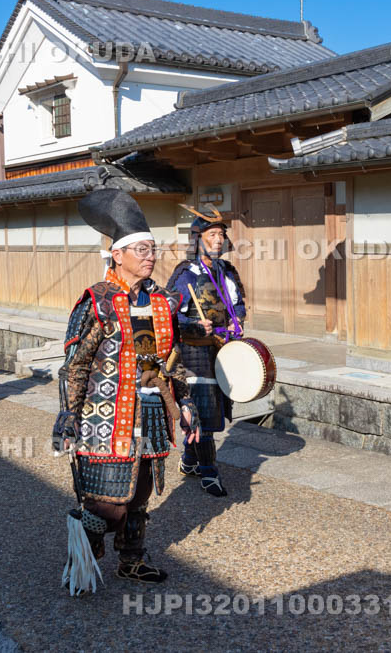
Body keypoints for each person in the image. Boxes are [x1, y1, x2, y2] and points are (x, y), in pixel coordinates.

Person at [53, 188, 198, 592]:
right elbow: (76, 365)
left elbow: (172, 361)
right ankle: (83, 557)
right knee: (107, 504)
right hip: (105, 417)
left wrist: (185, 402)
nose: (150, 256)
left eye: (153, 249)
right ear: (117, 255)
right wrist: (67, 416)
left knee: (139, 498)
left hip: (151, 410)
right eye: (141, 249)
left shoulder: (164, 301)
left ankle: (131, 561)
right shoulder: (97, 302)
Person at [167, 205, 246, 496]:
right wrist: (194, 325)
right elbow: (171, 316)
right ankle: (209, 473)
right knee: (202, 414)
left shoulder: (227, 271)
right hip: (194, 353)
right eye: (212, 234)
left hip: (222, 349)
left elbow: (238, 305)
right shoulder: (185, 274)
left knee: (215, 408)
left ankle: (189, 460)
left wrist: (237, 321)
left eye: (221, 234)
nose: (218, 239)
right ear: (198, 238)